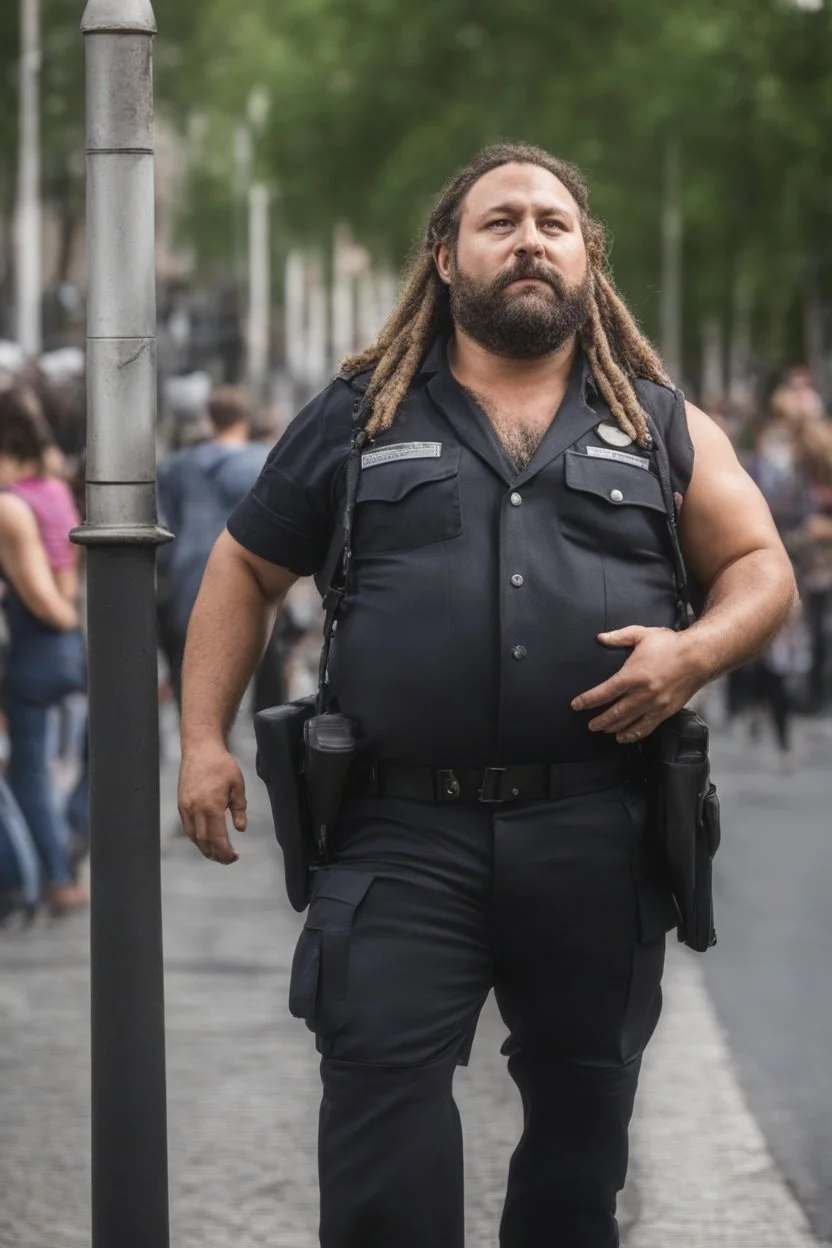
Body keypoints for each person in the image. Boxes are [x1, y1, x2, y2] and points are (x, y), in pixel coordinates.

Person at [177, 144, 796, 1247]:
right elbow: (244, 568)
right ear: (445, 255)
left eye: (552, 224)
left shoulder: (656, 423)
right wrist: (200, 741)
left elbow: (761, 568)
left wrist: (693, 654)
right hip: (399, 837)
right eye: (498, 221)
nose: (528, 240)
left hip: (593, 834)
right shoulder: (358, 415)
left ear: (587, 258)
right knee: (381, 1164)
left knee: (576, 1165)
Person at [0, 386, 87, 914]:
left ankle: (51, 878)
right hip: (64, 650)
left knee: (29, 771)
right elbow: (68, 588)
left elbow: (50, 602)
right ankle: (61, 848)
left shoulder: (11, 505)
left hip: (36, 648)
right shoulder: (52, 489)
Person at [156, 386, 269, 704]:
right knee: (258, 685)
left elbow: (166, 526)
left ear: (209, 419)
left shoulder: (178, 466)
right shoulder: (265, 463)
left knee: (192, 686)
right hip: (251, 585)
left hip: (187, 582)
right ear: (245, 419)